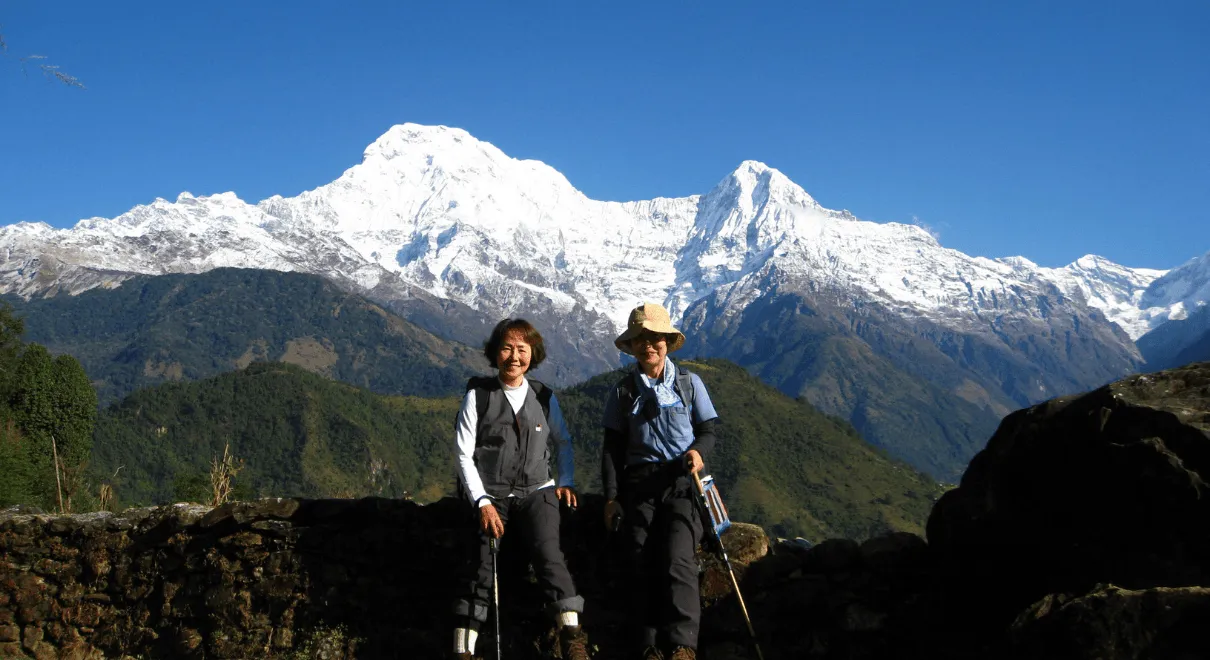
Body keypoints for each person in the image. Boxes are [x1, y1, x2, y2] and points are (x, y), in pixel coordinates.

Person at [452, 318, 589, 660]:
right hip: (490, 494)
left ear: (533, 354)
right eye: (507, 348)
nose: (514, 357)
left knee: (549, 555)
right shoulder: (478, 396)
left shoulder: (543, 397)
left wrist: (566, 480)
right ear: (495, 353)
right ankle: (462, 649)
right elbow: (463, 454)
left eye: (522, 349)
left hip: (537, 490)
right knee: (482, 566)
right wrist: (481, 501)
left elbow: (563, 442)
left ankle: (572, 638)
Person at [601, 303, 720, 660]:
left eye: (654, 338)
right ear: (631, 346)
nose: (647, 345)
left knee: (678, 557)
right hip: (638, 485)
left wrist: (698, 452)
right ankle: (648, 644)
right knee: (640, 560)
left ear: (667, 342)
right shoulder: (623, 392)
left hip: (683, 482)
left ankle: (683, 645)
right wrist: (611, 497)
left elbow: (708, 431)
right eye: (640, 339)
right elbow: (612, 448)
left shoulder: (689, 383)